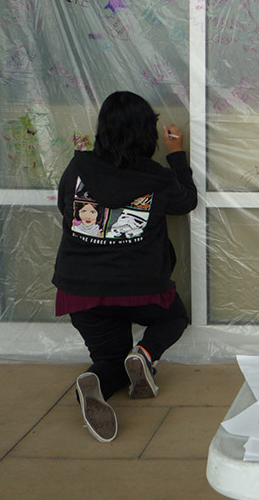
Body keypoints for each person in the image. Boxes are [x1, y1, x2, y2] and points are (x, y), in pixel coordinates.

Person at [52, 91, 198, 442]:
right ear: (147, 133)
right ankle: (144, 355)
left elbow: (64, 209)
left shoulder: (77, 169)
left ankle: (94, 381)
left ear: (102, 130)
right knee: (174, 318)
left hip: (81, 291)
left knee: (109, 359)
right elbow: (186, 201)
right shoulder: (157, 178)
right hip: (139, 287)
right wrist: (177, 155)